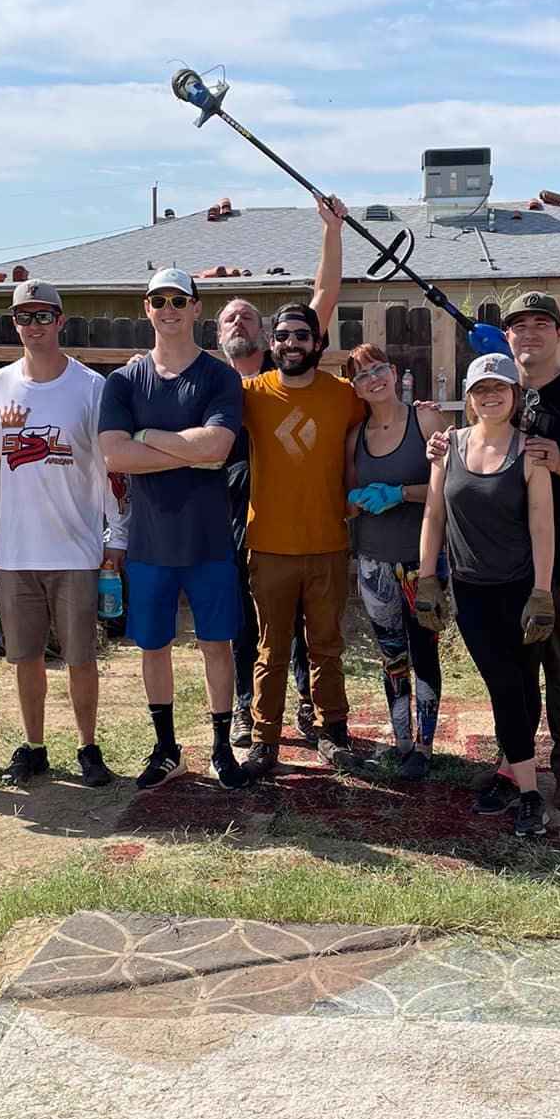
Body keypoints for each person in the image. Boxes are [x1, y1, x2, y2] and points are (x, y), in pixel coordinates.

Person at [427, 290, 560, 811]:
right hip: (493, 566)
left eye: (543, 323)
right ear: (506, 336)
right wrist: (438, 446)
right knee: (511, 673)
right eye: (519, 325)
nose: (530, 332)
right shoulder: (495, 394)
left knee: (559, 665)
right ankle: (513, 763)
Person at [0, 278, 126, 789]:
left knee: (80, 657)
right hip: (15, 552)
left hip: (75, 548)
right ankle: (34, 747)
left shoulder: (90, 387)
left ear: (60, 321)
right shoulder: (0, 386)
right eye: (23, 317)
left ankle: (88, 747)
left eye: (42, 315)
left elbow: (109, 468)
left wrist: (115, 534)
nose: (33, 325)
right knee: (25, 658)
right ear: (15, 324)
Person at [99, 267, 248, 791]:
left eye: (178, 300)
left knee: (216, 646)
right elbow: (115, 454)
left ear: (195, 309)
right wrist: (184, 448)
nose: (169, 309)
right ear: (146, 309)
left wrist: (147, 437)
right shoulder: (124, 380)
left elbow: (217, 449)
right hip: (150, 543)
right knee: (153, 647)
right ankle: (167, 750)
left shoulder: (219, 377)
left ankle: (222, 749)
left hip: (208, 540)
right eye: (158, 300)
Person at [215, 192, 346, 749]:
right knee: (254, 632)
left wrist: (332, 230)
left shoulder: (325, 391)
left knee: (317, 640)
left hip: (317, 533)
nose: (292, 342)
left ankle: (317, 714)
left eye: (247, 312)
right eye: (228, 315)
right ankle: (251, 719)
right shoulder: (230, 390)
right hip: (241, 525)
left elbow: (324, 296)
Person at [416, 352, 555, 836]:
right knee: (503, 686)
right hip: (471, 591)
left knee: (521, 684)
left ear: (515, 396)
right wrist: (427, 579)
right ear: (469, 399)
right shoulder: (447, 447)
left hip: (521, 589)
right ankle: (531, 792)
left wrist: (542, 592)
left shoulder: (531, 452)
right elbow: (434, 515)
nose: (489, 396)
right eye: (480, 389)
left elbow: (542, 527)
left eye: (499, 387)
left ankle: (511, 777)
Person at [239, 299, 361, 778]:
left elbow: (392, 414)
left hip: (329, 542)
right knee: (270, 648)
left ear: (319, 343)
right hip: (268, 545)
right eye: (283, 336)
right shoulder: (250, 395)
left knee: (327, 645)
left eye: (302, 336)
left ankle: (333, 732)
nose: (292, 344)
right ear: (271, 345)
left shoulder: (345, 395)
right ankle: (264, 741)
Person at [342, 343, 452, 780]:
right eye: (363, 376)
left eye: (379, 368)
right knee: (391, 654)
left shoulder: (425, 420)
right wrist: (356, 500)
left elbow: (449, 486)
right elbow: (349, 502)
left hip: (421, 563)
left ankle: (424, 748)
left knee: (424, 650)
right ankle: (401, 740)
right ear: (356, 389)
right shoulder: (355, 438)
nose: (374, 379)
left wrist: (402, 493)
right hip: (374, 563)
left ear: (394, 372)